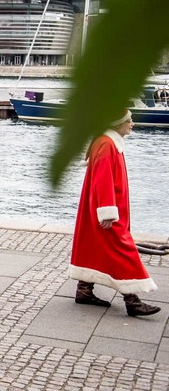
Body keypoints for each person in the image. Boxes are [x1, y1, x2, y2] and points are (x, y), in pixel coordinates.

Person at [70, 111, 160, 316]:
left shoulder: (108, 142)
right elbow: (103, 180)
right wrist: (108, 213)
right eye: (128, 120)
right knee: (122, 250)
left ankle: (84, 290)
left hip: (102, 208)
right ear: (117, 123)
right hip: (108, 211)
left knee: (94, 245)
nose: (132, 124)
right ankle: (132, 300)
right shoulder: (107, 144)